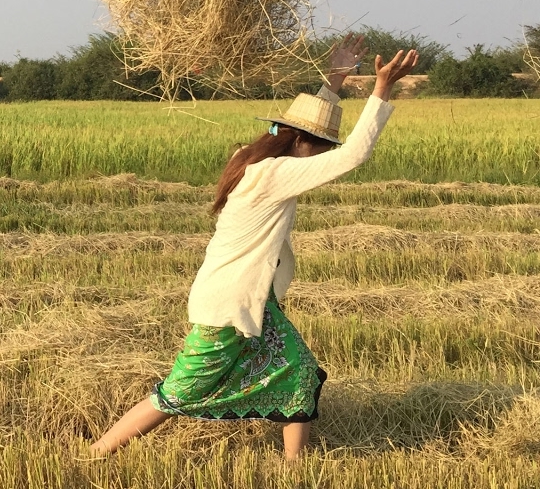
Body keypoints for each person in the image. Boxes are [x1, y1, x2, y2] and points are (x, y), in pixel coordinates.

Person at [89, 35, 420, 461]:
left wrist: (336, 77)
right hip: (229, 305)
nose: (319, 157)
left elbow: (305, 126)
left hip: (255, 303)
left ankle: (294, 468)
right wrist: (382, 88)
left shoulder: (252, 155)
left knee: (299, 373)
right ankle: (97, 453)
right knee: (176, 392)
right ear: (300, 143)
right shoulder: (276, 172)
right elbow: (354, 155)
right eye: (319, 148)